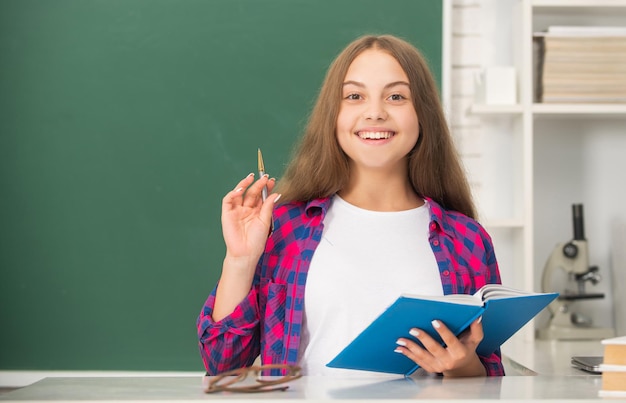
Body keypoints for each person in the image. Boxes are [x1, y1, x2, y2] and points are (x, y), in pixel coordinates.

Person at [197, 34, 504, 377]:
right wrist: (239, 261)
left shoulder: (466, 239)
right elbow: (222, 363)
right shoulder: (285, 228)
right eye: (355, 96)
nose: (375, 113)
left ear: (423, 115)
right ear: (334, 114)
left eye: (397, 96)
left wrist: (465, 368)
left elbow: (490, 376)